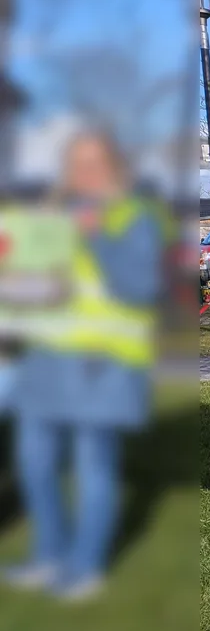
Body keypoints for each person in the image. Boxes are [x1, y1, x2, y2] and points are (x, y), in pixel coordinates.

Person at [2, 130, 161, 600]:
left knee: (94, 467)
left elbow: (139, 287)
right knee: (34, 463)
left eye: (95, 162)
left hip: (103, 362)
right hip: (45, 359)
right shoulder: (51, 214)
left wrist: (97, 236)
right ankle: (48, 555)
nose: (85, 172)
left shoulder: (134, 216)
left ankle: (85, 566)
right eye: (76, 163)